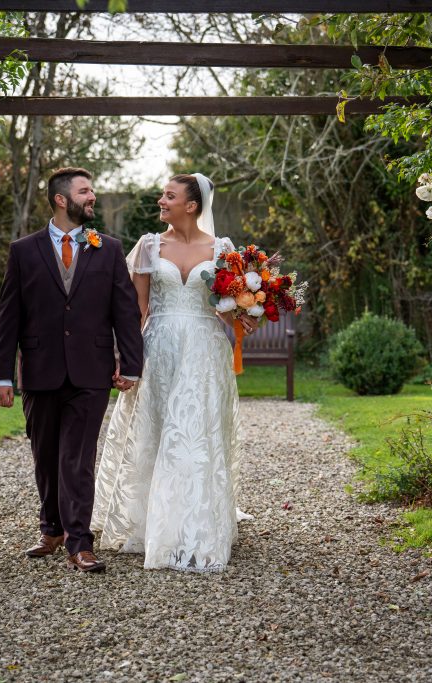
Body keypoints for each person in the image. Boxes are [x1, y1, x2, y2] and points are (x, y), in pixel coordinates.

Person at [92, 173, 252, 572]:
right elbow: (137, 310)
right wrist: (123, 358)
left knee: (196, 432)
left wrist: (252, 313)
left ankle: (195, 528)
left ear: (192, 205)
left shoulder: (223, 249)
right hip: (159, 346)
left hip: (204, 349)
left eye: (169, 195)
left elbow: (233, 305)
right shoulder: (148, 246)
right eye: (162, 194)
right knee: (157, 430)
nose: (161, 200)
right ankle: (151, 525)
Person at [0, 167, 144, 574]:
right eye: (85, 191)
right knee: (45, 455)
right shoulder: (23, 251)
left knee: (77, 458)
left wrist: (131, 364)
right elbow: (9, 316)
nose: (92, 197)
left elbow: (124, 311)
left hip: (90, 372)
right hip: (40, 370)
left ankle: (80, 541)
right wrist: (2, 374)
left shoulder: (108, 248)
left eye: (92, 190)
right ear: (62, 199)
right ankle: (52, 529)